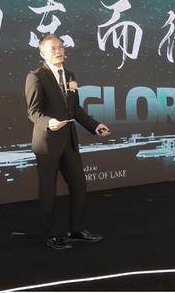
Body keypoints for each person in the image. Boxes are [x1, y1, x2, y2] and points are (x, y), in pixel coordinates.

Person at [24, 34, 111, 250]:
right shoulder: (36, 77)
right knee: (48, 189)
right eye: (53, 48)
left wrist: (95, 125)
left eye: (61, 47)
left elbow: (75, 109)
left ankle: (76, 230)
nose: (59, 51)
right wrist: (49, 122)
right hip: (47, 143)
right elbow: (33, 112)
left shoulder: (70, 75)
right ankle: (53, 235)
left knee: (79, 185)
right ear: (42, 53)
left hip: (69, 141)